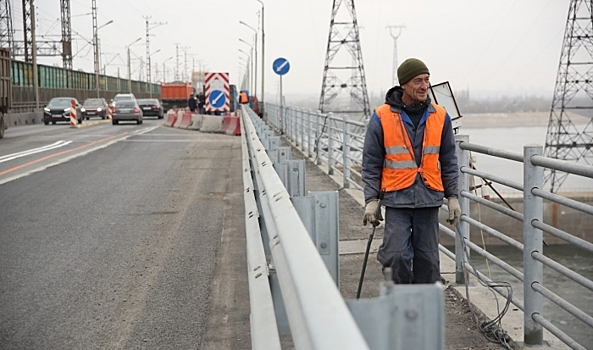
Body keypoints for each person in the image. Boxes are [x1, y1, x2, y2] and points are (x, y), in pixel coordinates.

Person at [361, 58, 461, 284]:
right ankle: (401, 299)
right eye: (418, 81)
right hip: (397, 199)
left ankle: (424, 308)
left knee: (428, 261)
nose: (424, 86)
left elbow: (449, 160)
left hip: (428, 198)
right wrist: (371, 200)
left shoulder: (440, 116)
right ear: (404, 84)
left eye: (427, 80)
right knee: (396, 255)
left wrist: (453, 197)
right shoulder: (381, 117)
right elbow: (371, 163)